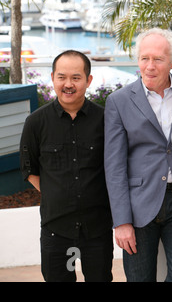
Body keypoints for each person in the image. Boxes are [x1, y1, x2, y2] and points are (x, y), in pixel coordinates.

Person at [104, 28, 172, 282]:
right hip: (138, 207)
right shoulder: (119, 101)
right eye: (145, 58)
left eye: (158, 59)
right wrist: (121, 221)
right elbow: (114, 167)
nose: (150, 66)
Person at [19, 50, 113, 282]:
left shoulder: (106, 119)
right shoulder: (36, 122)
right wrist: (58, 192)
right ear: (52, 78)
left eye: (76, 77)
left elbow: (116, 166)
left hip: (97, 230)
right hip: (56, 229)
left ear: (89, 80)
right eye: (61, 77)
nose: (68, 84)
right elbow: (29, 169)